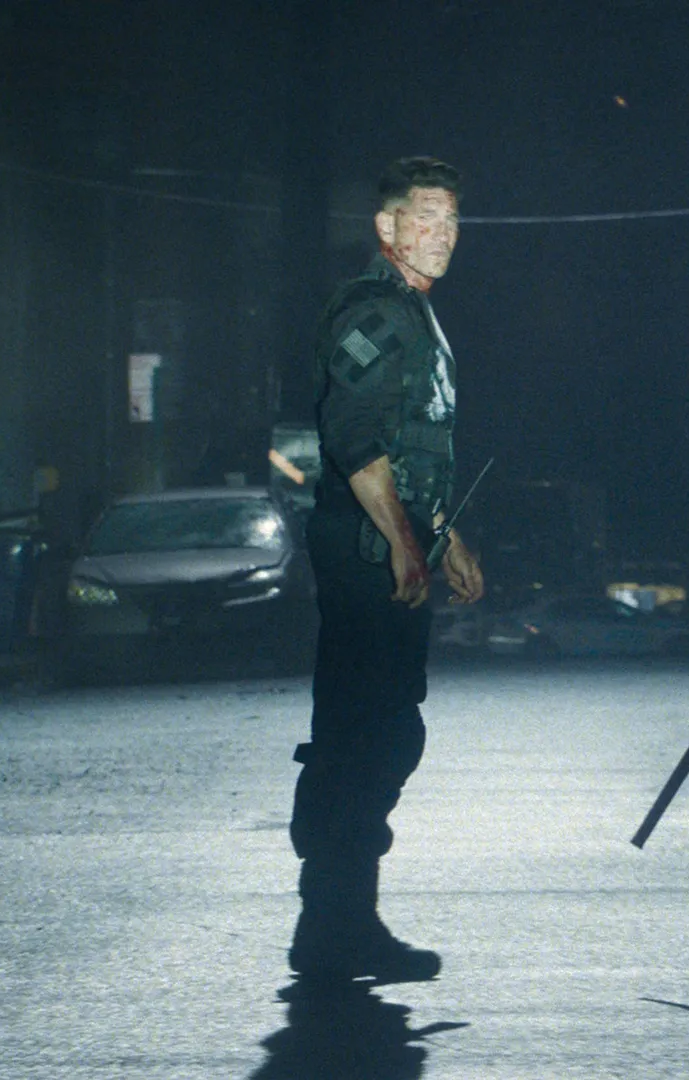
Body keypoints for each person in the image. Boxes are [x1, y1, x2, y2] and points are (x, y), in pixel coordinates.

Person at [288, 156, 485, 983]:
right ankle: (331, 929)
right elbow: (356, 438)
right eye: (423, 217)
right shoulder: (374, 310)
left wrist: (448, 538)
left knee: (382, 736)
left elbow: (415, 451)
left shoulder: (417, 315)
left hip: (393, 554)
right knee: (359, 741)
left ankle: (345, 922)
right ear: (387, 226)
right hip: (368, 560)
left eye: (449, 221)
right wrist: (407, 543)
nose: (438, 234)